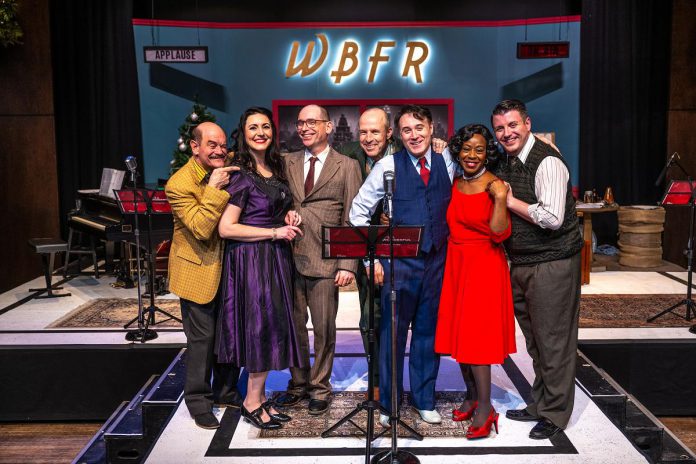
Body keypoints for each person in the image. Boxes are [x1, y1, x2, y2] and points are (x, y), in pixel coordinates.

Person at [349, 104, 458, 426]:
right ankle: (389, 405)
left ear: (431, 129)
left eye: (420, 128)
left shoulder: (447, 160)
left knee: (427, 334)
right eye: (407, 130)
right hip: (399, 264)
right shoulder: (387, 165)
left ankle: (425, 400)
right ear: (398, 134)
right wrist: (371, 259)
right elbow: (358, 214)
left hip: (437, 262)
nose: (414, 135)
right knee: (392, 335)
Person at [491, 99, 583, 440]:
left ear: (527, 123)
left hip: (553, 262)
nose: (506, 133)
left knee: (554, 341)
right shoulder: (506, 159)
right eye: (500, 128)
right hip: (523, 261)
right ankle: (541, 402)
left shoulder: (547, 161)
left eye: (512, 125)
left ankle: (555, 413)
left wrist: (510, 201)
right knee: (536, 342)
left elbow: (553, 218)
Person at [216, 107, 305, 430]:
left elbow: (272, 210)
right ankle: (250, 401)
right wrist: (273, 232)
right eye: (253, 127)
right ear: (244, 132)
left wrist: (287, 217)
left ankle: (261, 396)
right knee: (258, 328)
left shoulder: (273, 168)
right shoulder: (239, 174)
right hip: (251, 260)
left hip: (275, 257)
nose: (260, 132)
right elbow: (227, 228)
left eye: (265, 126)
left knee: (270, 327)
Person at [274, 104, 362, 415]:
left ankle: (320, 387)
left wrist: (347, 263)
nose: (304, 127)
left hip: (326, 262)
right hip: (288, 259)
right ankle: (298, 384)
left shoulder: (348, 166)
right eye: (300, 122)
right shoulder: (287, 162)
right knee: (293, 327)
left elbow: (353, 217)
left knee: (324, 328)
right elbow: (275, 202)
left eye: (312, 121)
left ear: (327, 127)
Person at [434, 123, 516, 439]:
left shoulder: (494, 184)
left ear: (487, 153)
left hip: (484, 266)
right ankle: (470, 396)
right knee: (461, 337)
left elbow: (499, 233)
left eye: (479, 149)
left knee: (478, 340)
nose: (472, 155)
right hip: (457, 264)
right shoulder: (456, 182)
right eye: (467, 148)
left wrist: (499, 199)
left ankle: (486, 407)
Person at [165, 122, 241, 429]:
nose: (220, 150)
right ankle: (198, 400)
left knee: (228, 334)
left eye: (222, 145)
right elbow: (200, 226)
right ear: (195, 147)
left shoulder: (228, 168)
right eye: (212, 145)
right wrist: (213, 189)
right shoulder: (179, 184)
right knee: (202, 339)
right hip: (196, 271)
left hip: (229, 268)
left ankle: (225, 390)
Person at [338, 107, 402, 397]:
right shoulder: (347, 153)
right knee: (369, 319)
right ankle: (377, 382)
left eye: (375, 131)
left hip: (403, 252)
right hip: (366, 251)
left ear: (389, 133)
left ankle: (397, 381)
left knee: (402, 320)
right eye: (363, 131)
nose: (368, 137)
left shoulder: (406, 153)